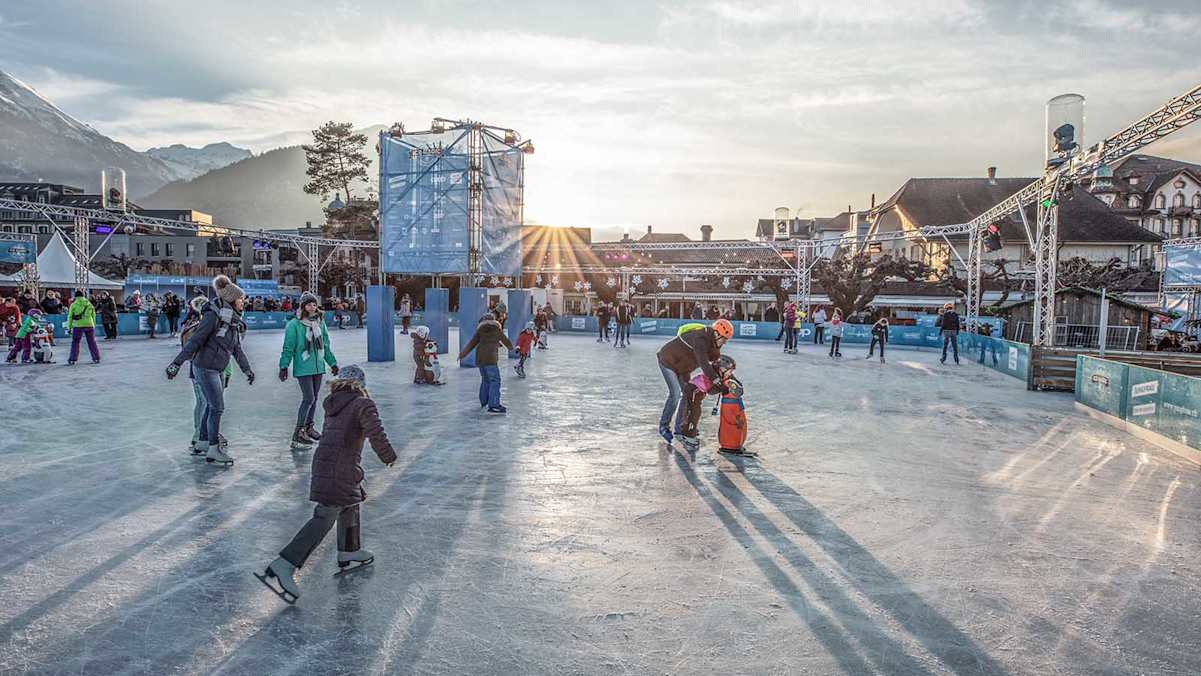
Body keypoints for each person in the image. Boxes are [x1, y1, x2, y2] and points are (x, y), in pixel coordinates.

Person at [256, 365, 398, 604]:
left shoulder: (334, 403)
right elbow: (376, 432)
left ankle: (349, 549)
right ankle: (284, 563)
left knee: (351, 502)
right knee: (325, 516)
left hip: (328, 465)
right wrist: (388, 455)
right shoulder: (363, 404)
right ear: (361, 385)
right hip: (339, 469)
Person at [165, 275, 255, 466]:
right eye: (241, 299)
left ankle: (203, 442)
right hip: (205, 368)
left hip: (218, 368)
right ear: (231, 299)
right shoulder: (212, 316)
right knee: (217, 407)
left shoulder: (233, 321)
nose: (243, 302)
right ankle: (213, 449)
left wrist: (247, 370)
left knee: (210, 406)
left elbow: (236, 349)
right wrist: (176, 363)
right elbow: (195, 341)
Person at [656, 318, 732, 447]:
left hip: (683, 368)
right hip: (668, 360)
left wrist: (726, 378)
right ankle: (664, 426)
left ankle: (680, 430)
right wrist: (717, 382)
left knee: (687, 395)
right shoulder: (700, 338)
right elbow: (703, 364)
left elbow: (716, 365)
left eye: (726, 340)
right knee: (675, 394)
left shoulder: (715, 346)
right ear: (716, 333)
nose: (724, 342)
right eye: (724, 338)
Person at [279, 292, 339, 449]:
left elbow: (325, 346)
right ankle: (297, 434)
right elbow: (288, 347)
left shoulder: (320, 323)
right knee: (308, 398)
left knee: (314, 398)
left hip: (318, 366)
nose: (312, 307)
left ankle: (308, 428)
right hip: (304, 367)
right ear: (303, 306)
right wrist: (284, 366)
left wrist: (332, 363)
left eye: (314, 304)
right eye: (309, 304)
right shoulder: (294, 324)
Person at [457, 313, 513, 414]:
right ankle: (494, 405)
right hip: (491, 359)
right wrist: (512, 349)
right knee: (495, 380)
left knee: (485, 380)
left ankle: (484, 401)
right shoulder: (497, 330)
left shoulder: (480, 330)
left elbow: (471, 344)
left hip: (480, 359)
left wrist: (462, 355)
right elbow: (506, 341)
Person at [65, 290, 100, 365]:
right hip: (89, 324)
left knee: (75, 342)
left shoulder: (73, 305)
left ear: (75, 296)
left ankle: (73, 359)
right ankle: (96, 358)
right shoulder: (89, 304)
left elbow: (70, 317)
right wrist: (93, 324)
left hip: (78, 325)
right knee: (92, 342)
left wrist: (69, 327)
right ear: (84, 295)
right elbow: (93, 315)